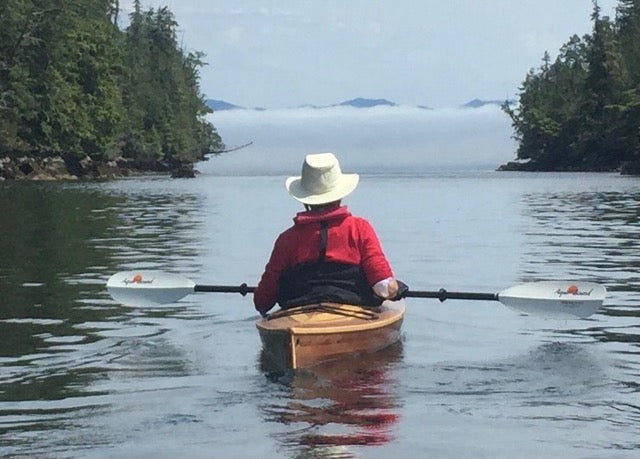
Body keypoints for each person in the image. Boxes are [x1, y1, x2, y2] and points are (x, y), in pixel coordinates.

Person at [254, 152, 406, 317]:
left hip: (297, 313)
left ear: (305, 200)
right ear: (339, 195)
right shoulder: (360, 229)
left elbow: (262, 301)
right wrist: (396, 289)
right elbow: (382, 287)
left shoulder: (287, 239)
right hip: (353, 311)